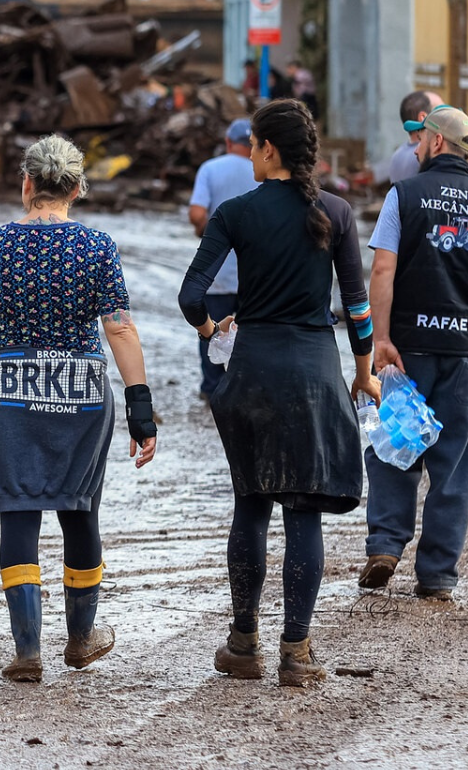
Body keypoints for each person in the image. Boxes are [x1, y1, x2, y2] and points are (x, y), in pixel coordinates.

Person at [178, 99, 379, 688]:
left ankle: (244, 644)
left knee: (251, 504)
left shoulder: (235, 213)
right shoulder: (336, 213)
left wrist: (215, 329)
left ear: (267, 149)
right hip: (316, 372)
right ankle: (297, 650)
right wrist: (363, 372)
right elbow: (358, 309)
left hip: (254, 370)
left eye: (253, 148)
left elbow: (192, 297)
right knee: (305, 513)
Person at [0, 135, 156, 684]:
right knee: (79, 509)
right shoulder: (97, 248)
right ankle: (82, 639)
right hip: (81, 389)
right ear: (78, 189)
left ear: (26, 186)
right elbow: (120, 329)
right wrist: (141, 409)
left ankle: (27, 651)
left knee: (18, 510)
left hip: (11, 389)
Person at [360, 105, 468, 603]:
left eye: (419, 140)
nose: (413, 148)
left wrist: (379, 341)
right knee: (454, 463)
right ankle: (436, 576)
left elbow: (382, 272)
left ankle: (386, 545)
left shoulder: (404, 195)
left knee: (395, 444)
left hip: (407, 348)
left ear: (435, 143)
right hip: (464, 350)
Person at [187, 119, 260, 397]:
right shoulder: (263, 172)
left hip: (217, 276)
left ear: (229, 143)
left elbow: (196, 214)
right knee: (251, 334)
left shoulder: (211, 168)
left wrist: (206, 232)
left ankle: (212, 389)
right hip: (253, 275)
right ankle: (246, 389)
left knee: (212, 332)